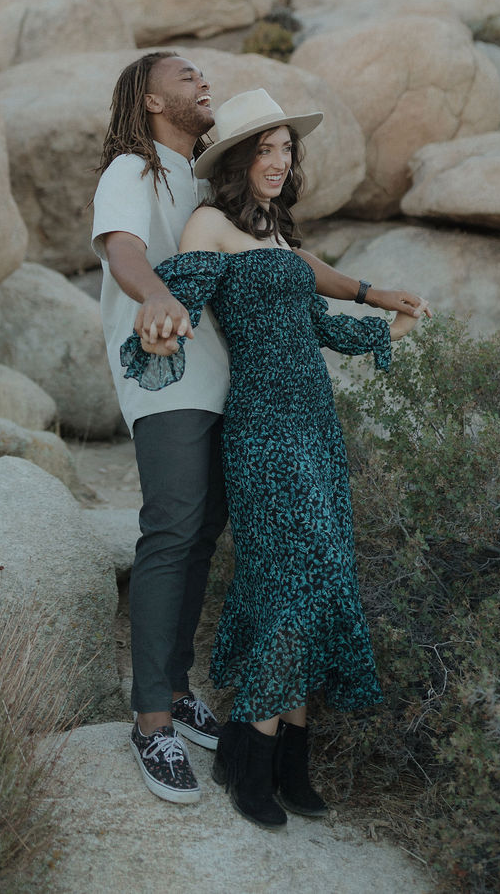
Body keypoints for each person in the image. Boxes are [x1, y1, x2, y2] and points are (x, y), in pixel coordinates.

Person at [122, 88, 429, 828]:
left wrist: (388, 325)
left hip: (316, 424)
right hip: (263, 426)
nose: (278, 160)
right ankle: (248, 751)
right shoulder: (210, 224)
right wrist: (156, 330)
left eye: (286, 148)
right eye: (264, 149)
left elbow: (315, 322)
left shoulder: (276, 233)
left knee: (320, 576)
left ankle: (291, 757)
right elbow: (179, 301)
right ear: (236, 160)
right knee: (290, 581)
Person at [92, 51, 231, 805]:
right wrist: (153, 297)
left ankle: (177, 687)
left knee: (202, 533)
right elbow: (124, 249)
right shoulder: (132, 170)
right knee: (171, 529)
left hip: (224, 375)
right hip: (166, 371)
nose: (202, 82)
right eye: (185, 76)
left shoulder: (207, 180)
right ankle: (151, 720)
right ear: (149, 101)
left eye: (203, 75)